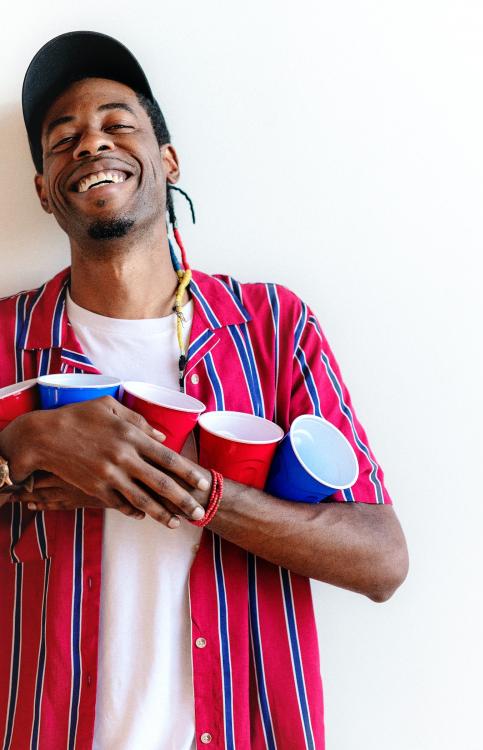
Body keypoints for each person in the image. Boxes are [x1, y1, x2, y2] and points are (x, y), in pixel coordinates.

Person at [0, 31, 408, 750]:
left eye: (118, 124)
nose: (92, 144)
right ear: (41, 189)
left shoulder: (273, 327)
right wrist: (18, 443)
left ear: (167, 159)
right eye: (63, 139)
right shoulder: (4, 338)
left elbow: (380, 560)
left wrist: (192, 492)